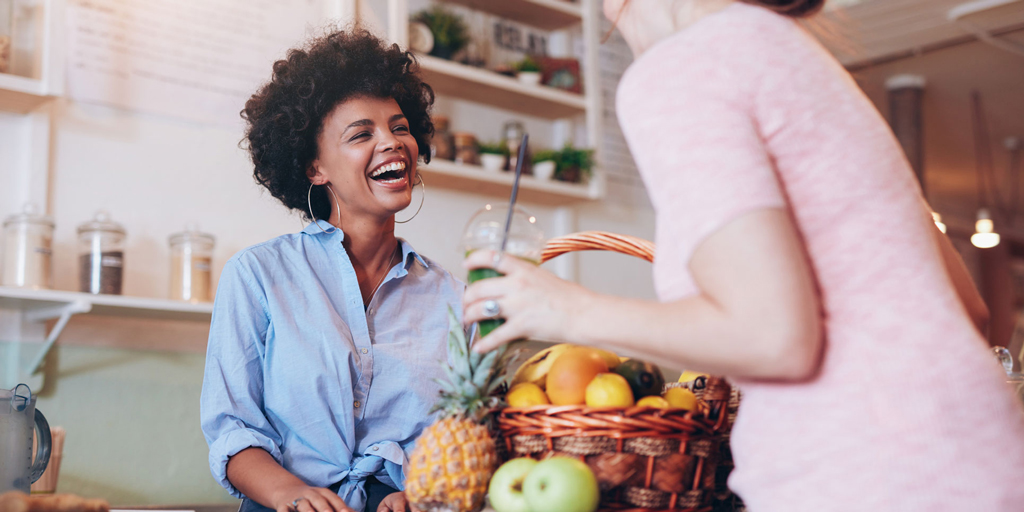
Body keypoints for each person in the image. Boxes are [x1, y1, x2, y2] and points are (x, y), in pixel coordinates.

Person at [462, 0, 1024, 510]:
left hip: (867, 475)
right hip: (979, 460)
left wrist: (564, 309)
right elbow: (969, 310)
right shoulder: (794, 54)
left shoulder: (679, 70)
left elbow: (774, 337)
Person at [201, 29, 455, 512]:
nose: (392, 143)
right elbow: (232, 429)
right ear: (315, 166)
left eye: (400, 127)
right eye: (362, 134)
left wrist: (420, 496)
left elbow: (460, 436)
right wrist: (289, 493)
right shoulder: (256, 275)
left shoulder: (453, 297)